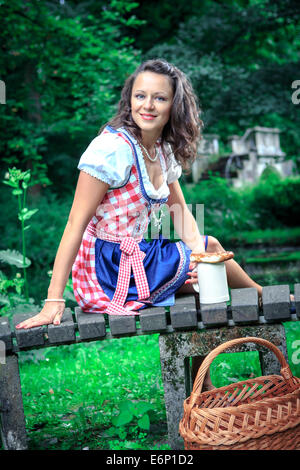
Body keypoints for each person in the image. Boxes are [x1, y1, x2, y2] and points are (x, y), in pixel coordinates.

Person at [15, 59, 268, 388]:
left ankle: (200, 388)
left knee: (207, 262)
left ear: (174, 106)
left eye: (159, 98)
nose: (147, 105)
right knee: (210, 256)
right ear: (129, 99)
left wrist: (197, 259)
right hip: (106, 266)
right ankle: (263, 299)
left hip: (137, 256)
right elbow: (75, 224)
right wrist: (54, 299)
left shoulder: (162, 151)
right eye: (140, 96)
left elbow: (181, 216)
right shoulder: (111, 150)